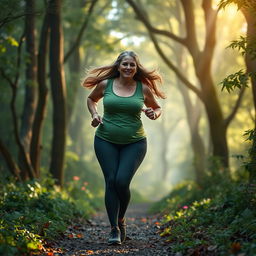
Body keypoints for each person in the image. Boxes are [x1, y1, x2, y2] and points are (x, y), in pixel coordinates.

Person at [82, 50, 165, 245]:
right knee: (111, 181)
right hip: (105, 140)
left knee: (121, 182)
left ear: (136, 68)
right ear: (118, 66)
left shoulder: (142, 88)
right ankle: (114, 229)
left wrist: (155, 114)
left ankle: (121, 219)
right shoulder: (105, 85)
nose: (128, 68)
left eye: (132, 65)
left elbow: (157, 107)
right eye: (125, 64)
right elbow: (91, 99)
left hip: (135, 143)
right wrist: (94, 115)